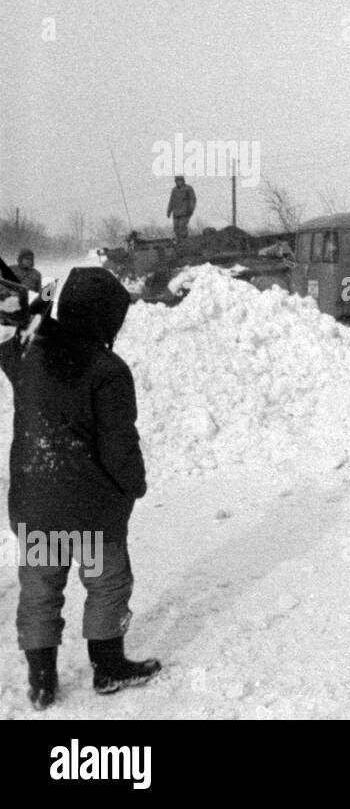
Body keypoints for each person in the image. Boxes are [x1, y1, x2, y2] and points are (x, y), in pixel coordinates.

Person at [0, 267, 161, 710]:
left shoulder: (26, 352)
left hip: (35, 507)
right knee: (107, 586)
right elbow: (119, 446)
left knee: (39, 592)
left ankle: (42, 681)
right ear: (108, 320)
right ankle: (108, 668)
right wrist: (135, 485)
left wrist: (35, 315)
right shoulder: (108, 370)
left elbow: (16, 339)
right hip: (91, 513)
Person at [166, 174, 196, 240]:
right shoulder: (174, 190)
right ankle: (179, 240)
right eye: (177, 181)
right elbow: (171, 201)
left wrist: (191, 209)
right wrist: (169, 211)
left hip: (185, 211)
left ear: (183, 181)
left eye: (180, 181)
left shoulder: (188, 188)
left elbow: (192, 199)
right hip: (176, 213)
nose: (178, 182)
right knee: (176, 227)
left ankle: (184, 241)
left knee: (182, 226)